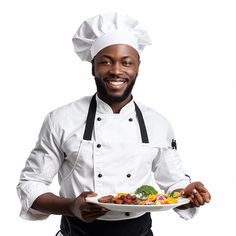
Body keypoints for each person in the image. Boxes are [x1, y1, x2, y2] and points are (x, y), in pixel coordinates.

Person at [17, 13, 211, 236]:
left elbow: (175, 184)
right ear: (93, 66)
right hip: (77, 233)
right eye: (106, 61)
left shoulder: (158, 124)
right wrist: (70, 206)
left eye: (126, 62)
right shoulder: (61, 119)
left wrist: (187, 196)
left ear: (138, 67)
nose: (116, 70)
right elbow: (30, 184)